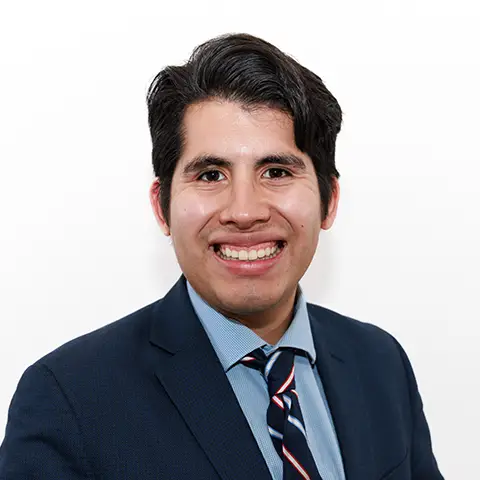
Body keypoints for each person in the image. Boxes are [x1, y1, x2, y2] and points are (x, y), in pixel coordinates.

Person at [0, 33, 444, 480]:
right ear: (162, 207)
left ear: (329, 201)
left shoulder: (380, 363)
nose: (244, 212)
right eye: (211, 175)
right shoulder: (68, 400)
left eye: (276, 172)